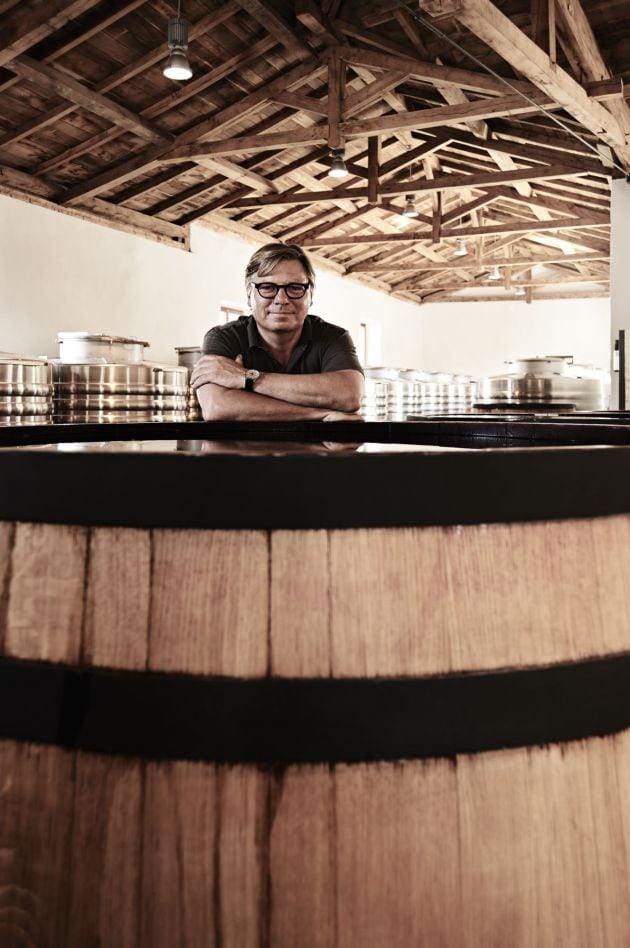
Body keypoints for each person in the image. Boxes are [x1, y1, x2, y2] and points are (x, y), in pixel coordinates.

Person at [191, 243, 364, 421]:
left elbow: (349, 395)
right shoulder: (224, 338)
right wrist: (320, 414)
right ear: (249, 294)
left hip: (318, 448)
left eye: (295, 288)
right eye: (267, 287)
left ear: (310, 294)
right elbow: (217, 407)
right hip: (243, 448)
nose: (281, 300)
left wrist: (248, 378)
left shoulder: (333, 337)